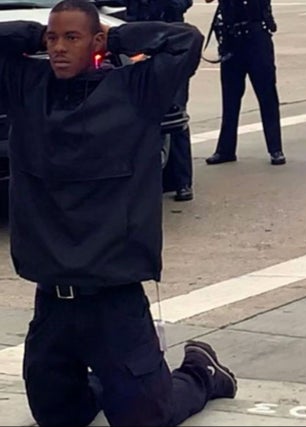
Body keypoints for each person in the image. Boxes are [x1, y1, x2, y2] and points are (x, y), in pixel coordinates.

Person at [0, 1, 237, 426]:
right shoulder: (26, 89)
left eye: (72, 38)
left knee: (145, 418)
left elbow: (185, 42)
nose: (58, 47)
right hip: (53, 301)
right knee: (58, 417)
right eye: (52, 38)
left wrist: (116, 37)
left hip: (114, 301)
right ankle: (108, 382)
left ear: (96, 42)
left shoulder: (135, 92)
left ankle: (200, 372)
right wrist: (35, 34)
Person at [125, 0, 195, 201]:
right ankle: (155, 178)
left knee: (175, 114)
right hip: (141, 49)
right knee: (143, 116)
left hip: (171, 49)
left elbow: (182, 3)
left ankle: (183, 182)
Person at [204, 0, 286, 166]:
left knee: (267, 95)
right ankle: (226, 149)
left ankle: (275, 148)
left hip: (256, 36)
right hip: (231, 37)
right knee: (230, 98)